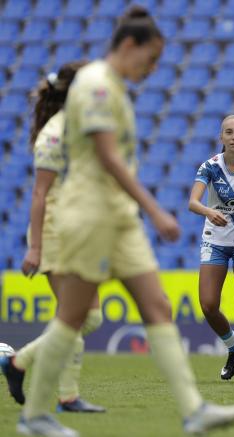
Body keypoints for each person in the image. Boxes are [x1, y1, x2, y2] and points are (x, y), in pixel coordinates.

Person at [11, 7, 234, 436]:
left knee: (155, 306)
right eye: (151, 59)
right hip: (90, 214)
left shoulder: (114, 87)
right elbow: (107, 156)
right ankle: (34, 417)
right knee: (75, 315)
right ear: (128, 46)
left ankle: (194, 409)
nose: (153, 69)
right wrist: (154, 208)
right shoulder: (98, 85)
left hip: (118, 217)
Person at [1, 62, 106, 413]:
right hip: (54, 232)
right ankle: (67, 396)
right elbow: (39, 194)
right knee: (78, 315)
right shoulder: (55, 134)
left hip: (74, 231)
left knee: (85, 317)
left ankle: (20, 364)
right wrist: (35, 247)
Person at [188, 115, 234, 384]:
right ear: (221, 137)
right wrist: (208, 211)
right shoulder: (210, 166)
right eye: (229, 132)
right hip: (215, 239)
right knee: (207, 304)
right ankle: (233, 348)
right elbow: (193, 202)